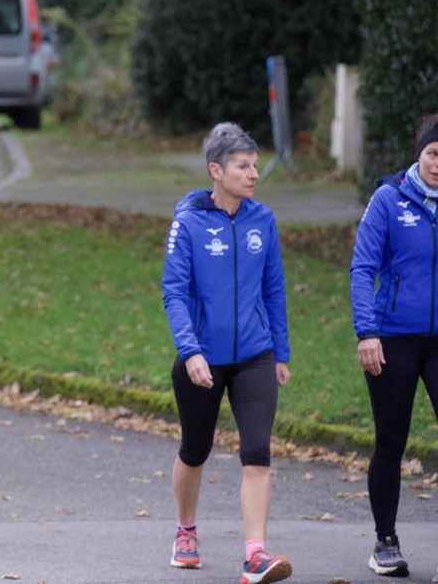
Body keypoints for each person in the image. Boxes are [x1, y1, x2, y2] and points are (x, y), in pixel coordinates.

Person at [161, 122, 292, 584]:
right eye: (243, 166)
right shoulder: (188, 223)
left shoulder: (263, 220)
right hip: (203, 358)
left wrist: (280, 352)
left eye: (254, 165)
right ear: (216, 171)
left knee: (257, 451)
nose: (254, 174)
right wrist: (190, 351)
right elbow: (174, 292)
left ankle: (255, 554)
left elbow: (273, 289)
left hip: (256, 354)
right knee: (195, 449)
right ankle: (185, 532)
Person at [349, 114, 438, 578]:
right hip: (392, 340)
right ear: (419, 153)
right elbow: (362, 268)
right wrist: (367, 332)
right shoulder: (388, 199)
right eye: (433, 153)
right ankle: (385, 542)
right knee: (391, 441)